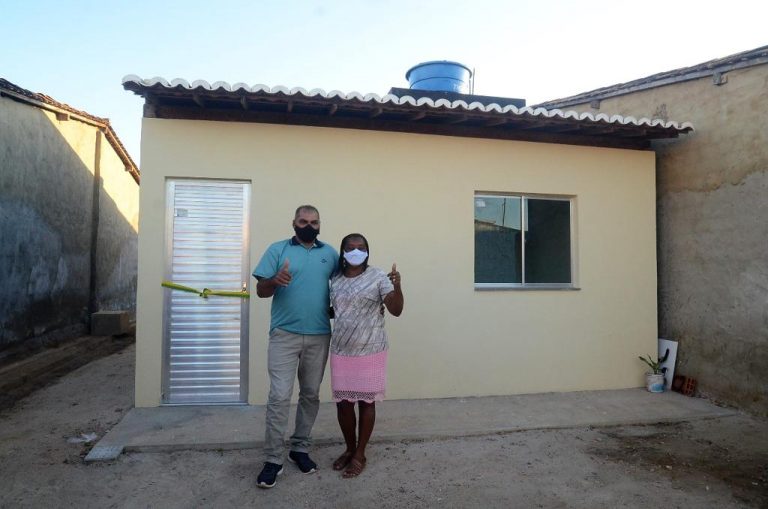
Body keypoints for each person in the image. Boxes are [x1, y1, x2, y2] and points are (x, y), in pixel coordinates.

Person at [252, 205, 338, 489]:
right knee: (279, 396)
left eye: (314, 222)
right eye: (303, 221)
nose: (308, 226)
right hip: (284, 335)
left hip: (319, 335)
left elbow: (344, 287)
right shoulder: (278, 250)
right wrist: (274, 280)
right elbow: (261, 291)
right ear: (293, 223)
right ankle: (273, 459)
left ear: (320, 224)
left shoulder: (330, 254)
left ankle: (299, 448)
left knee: (310, 394)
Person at [329, 233, 404, 478]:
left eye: (361, 247)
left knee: (366, 402)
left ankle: (360, 453)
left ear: (367, 251)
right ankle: (349, 449)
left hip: (371, 349)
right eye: (350, 247)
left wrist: (397, 287)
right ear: (343, 251)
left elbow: (396, 309)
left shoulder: (378, 277)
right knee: (343, 404)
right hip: (341, 349)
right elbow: (335, 310)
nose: (356, 251)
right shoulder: (335, 278)